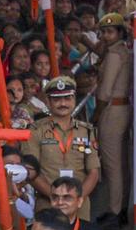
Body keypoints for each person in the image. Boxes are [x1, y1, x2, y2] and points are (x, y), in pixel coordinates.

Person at [22, 76, 100, 220]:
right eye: (57, 99)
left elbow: (94, 172)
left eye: (67, 98)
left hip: (79, 205)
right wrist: (56, 197)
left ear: (74, 99)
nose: (63, 103)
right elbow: (31, 172)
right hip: (48, 203)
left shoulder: (87, 131)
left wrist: (77, 198)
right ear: (48, 102)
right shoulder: (35, 130)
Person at [91, 13, 131, 227]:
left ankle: (115, 211)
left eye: (110, 31)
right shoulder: (121, 51)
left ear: (119, 33)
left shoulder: (115, 55)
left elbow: (104, 92)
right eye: (104, 32)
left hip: (112, 109)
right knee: (121, 163)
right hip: (122, 107)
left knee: (112, 163)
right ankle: (120, 207)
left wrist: (96, 115)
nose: (106, 36)